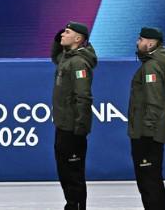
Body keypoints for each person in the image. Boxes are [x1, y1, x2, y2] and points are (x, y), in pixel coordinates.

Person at [51, 21, 96, 210]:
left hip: (72, 128)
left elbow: (83, 96)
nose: (63, 34)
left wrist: (80, 128)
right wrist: (58, 39)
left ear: (78, 39)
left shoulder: (78, 63)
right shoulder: (67, 58)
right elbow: (56, 56)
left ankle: (76, 206)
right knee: (65, 171)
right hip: (63, 125)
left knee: (73, 174)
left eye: (67, 32)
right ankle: (71, 205)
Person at [129, 26, 165, 210]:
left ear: (151, 43)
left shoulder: (152, 66)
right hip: (151, 131)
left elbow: (154, 101)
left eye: (140, 39)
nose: (137, 42)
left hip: (147, 134)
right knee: (152, 180)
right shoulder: (158, 62)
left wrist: (147, 132)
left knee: (149, 182)